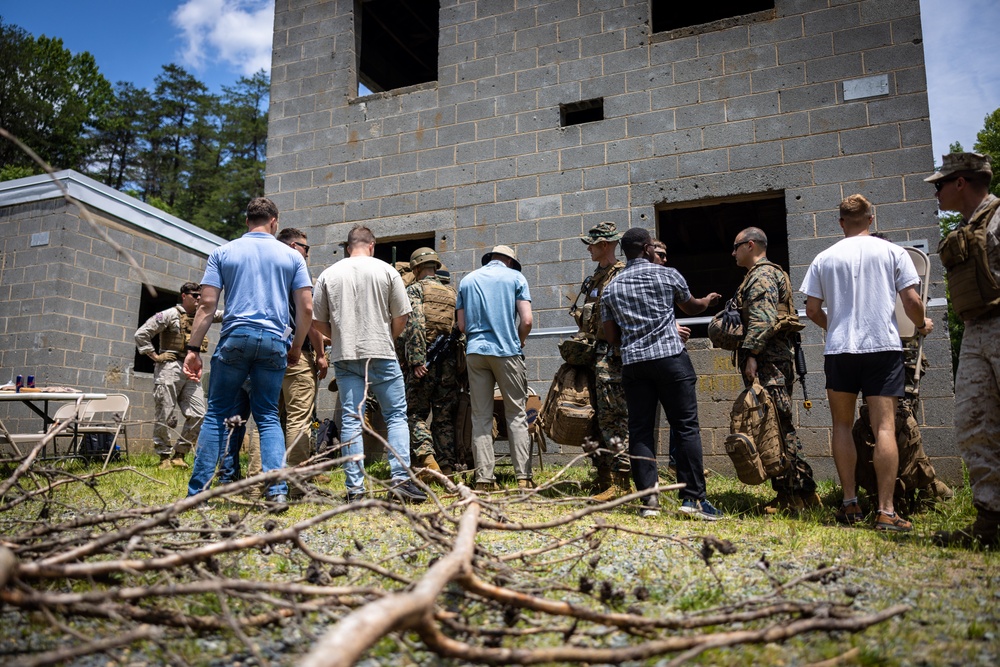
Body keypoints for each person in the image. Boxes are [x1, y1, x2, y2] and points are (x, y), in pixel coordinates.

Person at [800, 194, 933, 532]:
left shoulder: (824, 257)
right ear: (872, 220)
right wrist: (921, 325)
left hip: (840, 349)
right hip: (882, 347)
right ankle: (886, 512)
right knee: (884, 427)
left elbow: (813, 310)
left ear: (841, 222)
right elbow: (912, 301)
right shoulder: (892, 252)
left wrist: (838, 328)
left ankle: (849, 504)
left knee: (841, 426)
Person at [183, 197, 314, 509]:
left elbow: (206, 304)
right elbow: (306, 307)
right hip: (273, 342)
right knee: (269, 416)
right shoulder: (293, 257)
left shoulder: (222, 252)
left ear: (247, 222)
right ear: (274, 222)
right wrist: (296, 346)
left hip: (235, 339)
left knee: (216, 414)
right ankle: (277, 491)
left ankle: (197, 495)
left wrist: (192, 349)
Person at [601, 227, 723, 519]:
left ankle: (649, 502)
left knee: (640, 430)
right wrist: (709, 301)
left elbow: (610, 336)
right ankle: (693, 500)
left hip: (634, 365)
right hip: (670, 359)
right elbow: (691, 308)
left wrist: (634, 337)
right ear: (646, 249)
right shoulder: (668, 276)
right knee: (685, 427)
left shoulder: (611, 288)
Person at [312, 225, 426, 503]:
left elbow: (317, 322)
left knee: (351, 420)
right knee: (396, 416)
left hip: (346, 354)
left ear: (348, 246)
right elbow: (403, 316)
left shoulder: (329, 274)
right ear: (372, 245)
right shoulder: (387, 271)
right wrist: (388, 336)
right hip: (382, 352)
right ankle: (400, 481)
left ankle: (356, 490)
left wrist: (337, 336)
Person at [928, 152, 1000, 547]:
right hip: (975, 329)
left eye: (940, 184)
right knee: (974, 424)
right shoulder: (965, 226)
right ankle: (989, 522)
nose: (936, 191)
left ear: (960, 182)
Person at [731, 227, 820, 512]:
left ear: (751, 245)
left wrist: (752, 355)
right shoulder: (767, 274)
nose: (733, 253)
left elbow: (763, 319)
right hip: (774, 360)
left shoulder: (762, 275)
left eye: (736, 247)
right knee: (780, 425)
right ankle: (803, 493)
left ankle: (791, 496)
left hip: (770, 362)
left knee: (776, 429)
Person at [457, 244, 534, 490]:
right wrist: (518, 340)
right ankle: (523, 478)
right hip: (507, 351)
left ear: (490, 259)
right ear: (510, 261)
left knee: (480, 416)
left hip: (476, 352)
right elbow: (527, 320)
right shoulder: (515, 277)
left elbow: (462, 326)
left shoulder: (467, 281)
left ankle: (484, 480)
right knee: (516, 414)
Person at [134, 282, 222, 469]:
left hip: (191, 367)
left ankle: (180, 454)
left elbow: (222, 315)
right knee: (165, 412)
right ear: (184, 296)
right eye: (194, 295)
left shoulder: (203, 315)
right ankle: (164, 457)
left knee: (199, 414)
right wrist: (156, 356)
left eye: (201, 295)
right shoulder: (169, 315)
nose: (199, 298)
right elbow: (142, 334)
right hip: (169, 367)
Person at [576, 222, 631, 501]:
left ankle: (622, 482)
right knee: (596, 418)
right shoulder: (595, 277)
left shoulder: (620, 275)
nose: (588, 248)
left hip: (612, 357)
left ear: (606, 245)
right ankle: (604, 476)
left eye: (592, 244)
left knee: (614, 417)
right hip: (593, 354)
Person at [275, 228, 328, 495]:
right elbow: (310, 318)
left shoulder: (268, 271)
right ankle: (296, 487)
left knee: (268, 419)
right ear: (295, 246)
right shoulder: (299, 271)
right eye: (307, 249)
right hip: (297, 356)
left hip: (268, 353)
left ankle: (260, 482)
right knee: (300, 420)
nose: (308, 254)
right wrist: (320, 354)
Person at [400, 247, 460, 477]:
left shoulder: (414, 290)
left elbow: (414, 324)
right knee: (444, 416)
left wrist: (415, 360)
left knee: (415, 413)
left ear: (415, 268)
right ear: (435, 266)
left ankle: (428, 460)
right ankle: (447, 465)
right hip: (449, 362)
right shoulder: (452, 292)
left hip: (424, 362)